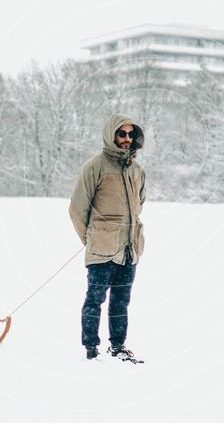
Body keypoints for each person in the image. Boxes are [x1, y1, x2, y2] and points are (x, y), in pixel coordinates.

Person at [69, 114, 146, 361]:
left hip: (129, 248)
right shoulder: (95, 167)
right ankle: (91, 349)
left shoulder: (137, 170)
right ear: (111, 134)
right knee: (95, 301)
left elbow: (139, 203)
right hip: (101, 250)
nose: (126, 139)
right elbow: (77, 208)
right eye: (121, 133)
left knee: (121, 302)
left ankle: (118, 346)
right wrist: (92, 239)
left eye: (131, 134)